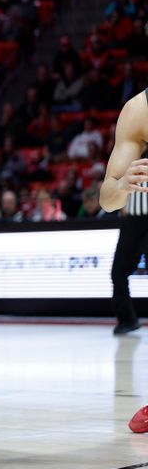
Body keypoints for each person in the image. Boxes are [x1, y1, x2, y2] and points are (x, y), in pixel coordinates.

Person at [99, 87, 148, 434]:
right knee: (119, 272)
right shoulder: (139, 110)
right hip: (138, 215)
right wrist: (123, 186)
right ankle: (127, 320)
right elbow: (107, 196)